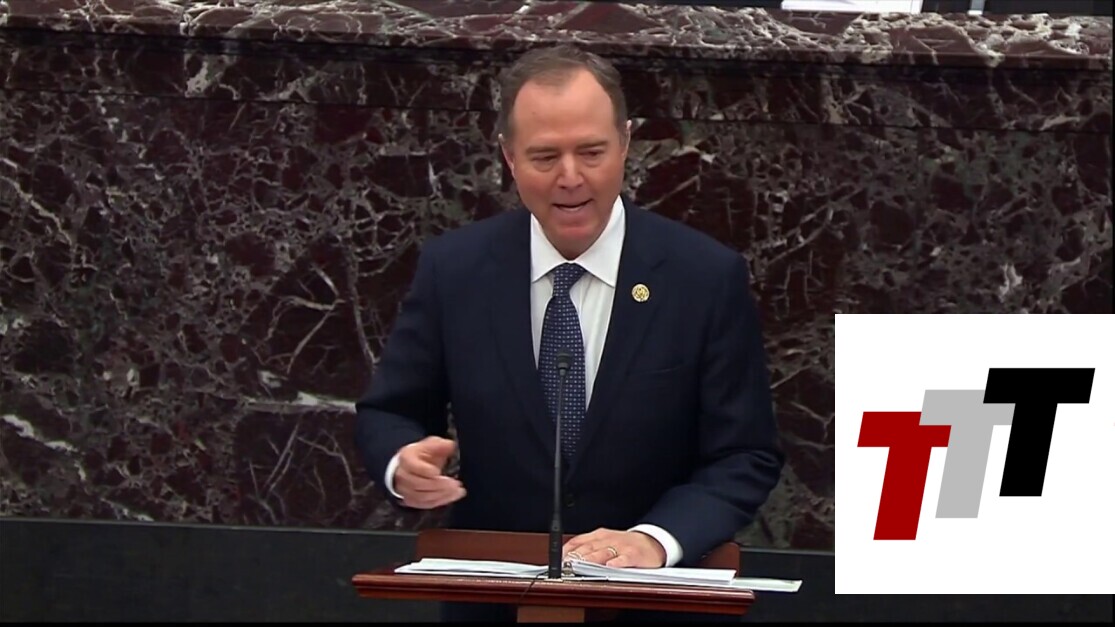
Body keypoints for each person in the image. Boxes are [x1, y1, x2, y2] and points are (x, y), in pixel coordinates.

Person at [354, 43, 784, 622]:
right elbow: (389, 412)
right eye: (544, 156)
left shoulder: (703, 277)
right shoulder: (456, 270)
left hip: (651, 609)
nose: (571, 178)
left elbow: (744, 453)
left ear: (626, 142)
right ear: (508, 157)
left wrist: (655, 539)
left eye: (592, 152)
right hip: (497, 603)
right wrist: (402, 464)